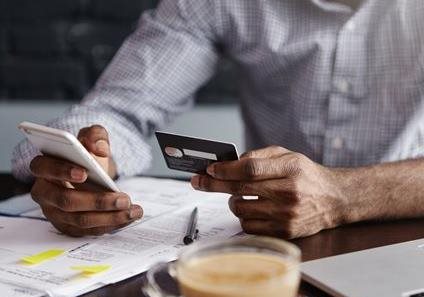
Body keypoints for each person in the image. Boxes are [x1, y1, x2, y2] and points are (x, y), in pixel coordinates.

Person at [12, 0, 424, 238]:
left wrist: (343, 194)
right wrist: (85, 159)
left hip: (404, 230)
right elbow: (120, 107)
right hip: (261, 240)